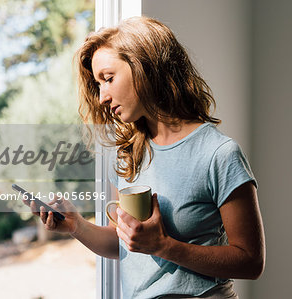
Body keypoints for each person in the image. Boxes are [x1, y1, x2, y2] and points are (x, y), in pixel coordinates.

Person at [26, 16, 265, 299]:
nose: (102, 96)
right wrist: (76, 224)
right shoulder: (128, 155)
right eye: (98, 84)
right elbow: (124, 241)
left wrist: (164, 246)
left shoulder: (218, 154)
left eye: (109, 78)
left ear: (145, 66)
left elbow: (250, 261)